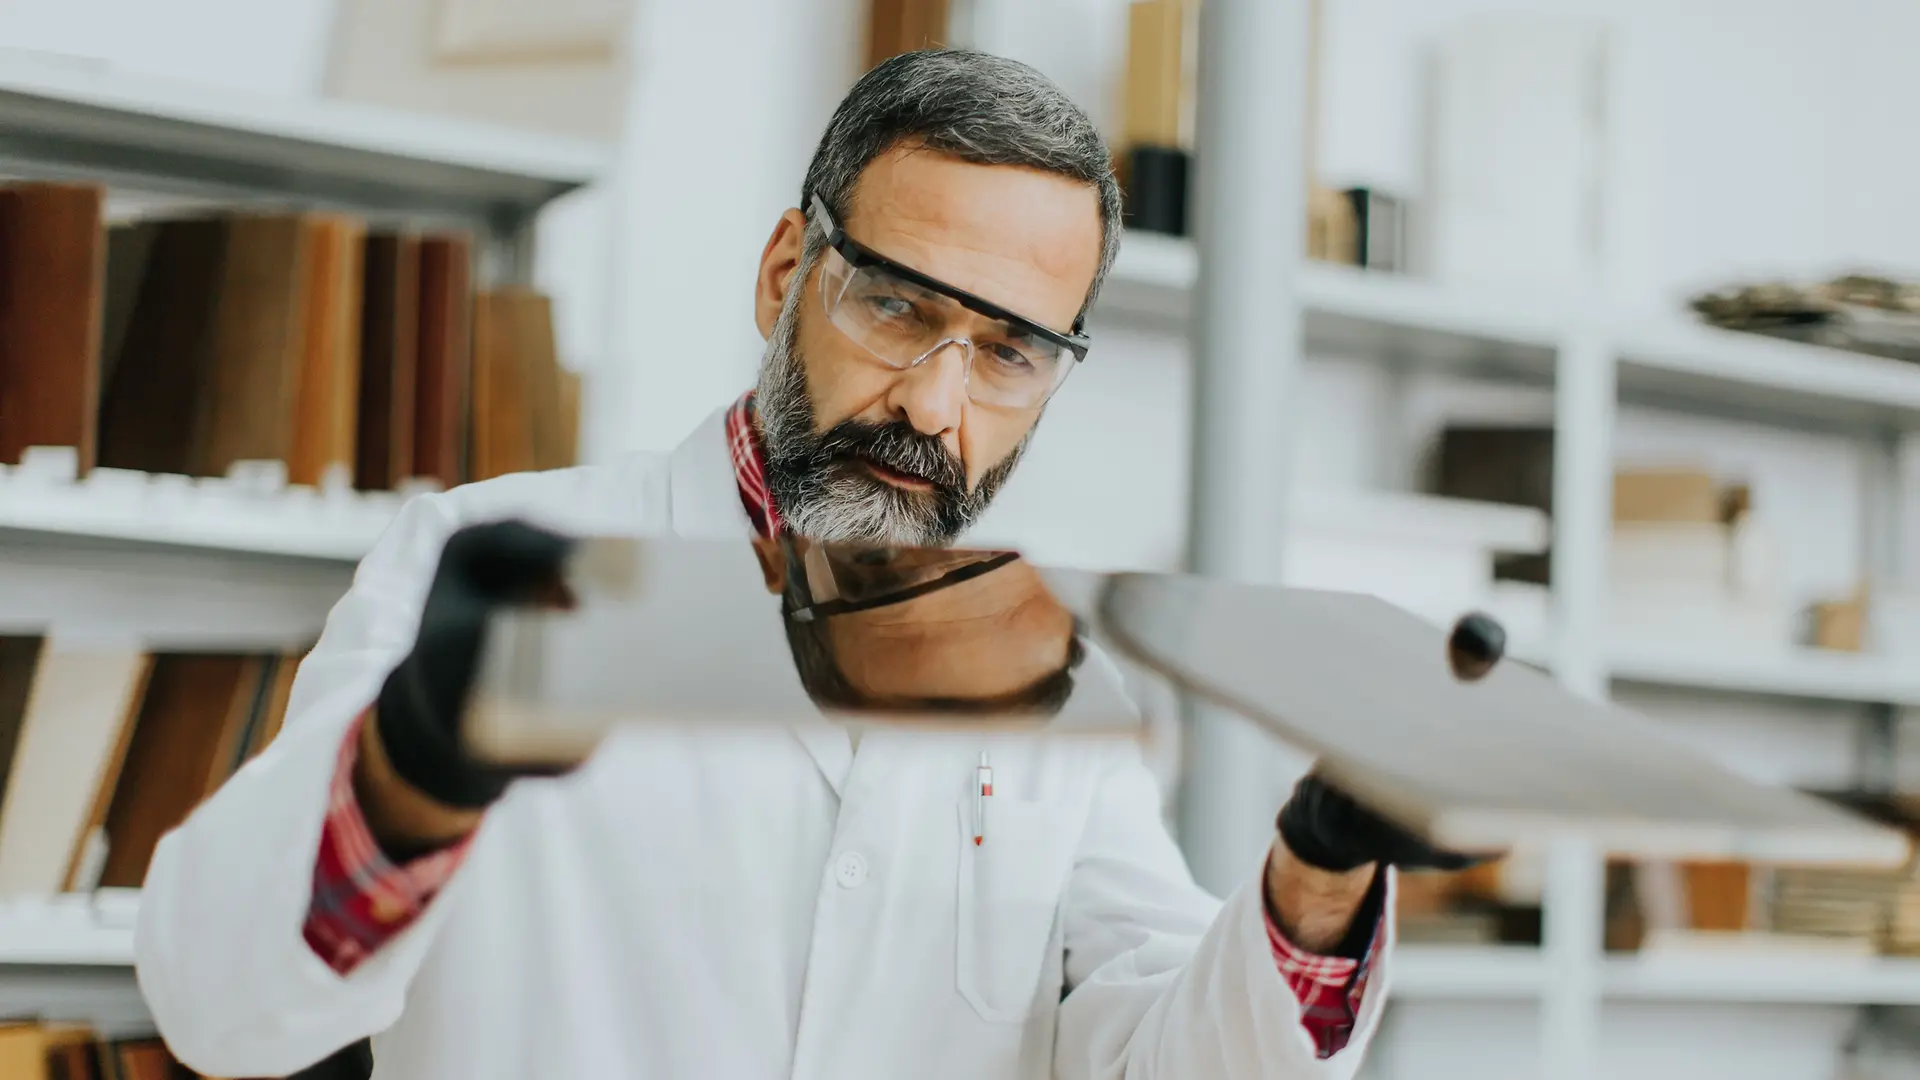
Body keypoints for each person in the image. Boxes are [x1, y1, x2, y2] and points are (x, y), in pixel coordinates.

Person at [136, 49, 1475, 1080]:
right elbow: (219, 1004)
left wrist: (1319, 865)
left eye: (1009, 352)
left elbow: (1161, 1055)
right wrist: (415, 764)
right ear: (787, 272)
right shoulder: (480, 568)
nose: (936, 405)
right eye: (896, 304)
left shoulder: (1066, 691)